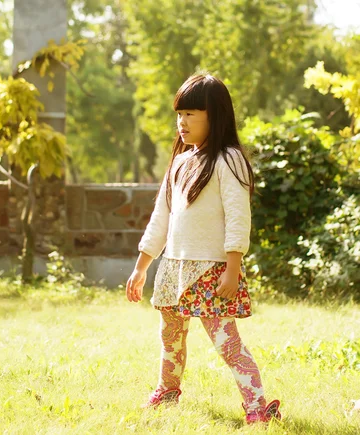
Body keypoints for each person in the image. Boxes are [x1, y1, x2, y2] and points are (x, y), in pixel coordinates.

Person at [125, 73, 281, 425]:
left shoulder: (228, 159)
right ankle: (167, 390)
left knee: (227, 343)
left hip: (212, 269)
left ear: (216, 115)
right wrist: (142, 265)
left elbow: (239, 217)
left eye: (191, 114)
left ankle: (257, 407)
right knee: (170, 336)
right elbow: (161, 217)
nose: (182, 122)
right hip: (173, 266)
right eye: (179, 114)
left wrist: (232, 266)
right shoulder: (180, 163)